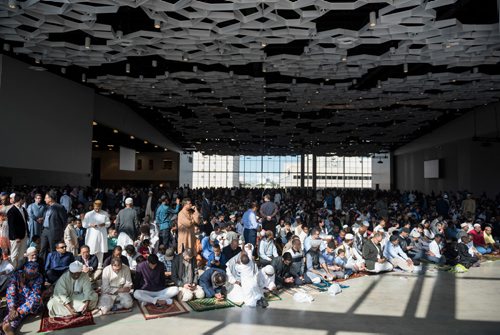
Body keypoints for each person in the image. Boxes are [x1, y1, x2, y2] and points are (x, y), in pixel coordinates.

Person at [2, 262, 43, 335]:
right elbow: (10, 292)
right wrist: (12, 308)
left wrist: (23, 286)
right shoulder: (16, 275)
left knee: (36, 299)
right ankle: (9, 329)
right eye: (28, 274)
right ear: (24, 269)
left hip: (28, 304)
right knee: (14, 311)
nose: (30, 277)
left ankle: (6, 321)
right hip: (17, 301)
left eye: (32, 275)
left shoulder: (39, 277)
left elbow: (34, 294)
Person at [82, 200, 111, 269]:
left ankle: (99, 265)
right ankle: (90, 264)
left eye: (99, 208)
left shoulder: (105, 213)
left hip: (101, 234)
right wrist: (90, 225)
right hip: (92, 235)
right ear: (93, 207)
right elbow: (84, 224)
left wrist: (103, 224)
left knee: (101, 249)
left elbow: (108, 223)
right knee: (91, 249)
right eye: (96, 208)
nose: (97, 209)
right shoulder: (89, 214)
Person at [40, 190, 67, 262]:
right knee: (42, 249)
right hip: (45, 230)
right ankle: (42, 266)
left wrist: (60, 231)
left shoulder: (60, 207)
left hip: (54, 231)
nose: (44, 199)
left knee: (53, 249)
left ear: (51, 198)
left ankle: (53, 265)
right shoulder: (46, 207)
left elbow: (64, 221)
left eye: (46, 198)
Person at [7, 194, 29, 269]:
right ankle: (12, 270)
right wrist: (16, 237)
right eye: (23, 199)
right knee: (14, 254)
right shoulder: (11, 211)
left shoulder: (23, 209)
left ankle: (19, 269)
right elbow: (11, 226)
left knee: (21, 253)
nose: (24, 201)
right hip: (16, 237)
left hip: (24, 234)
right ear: (20, 200)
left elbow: (25, 221)